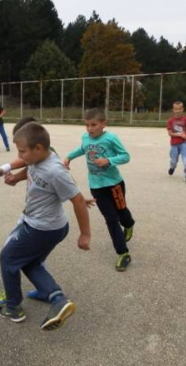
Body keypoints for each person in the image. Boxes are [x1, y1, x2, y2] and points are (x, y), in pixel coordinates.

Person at [0, 122, 91, 330]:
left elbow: (78, 200)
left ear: (38, 148)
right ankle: (54, 296)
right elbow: (29, 168)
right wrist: (12, 175)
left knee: (8, 258)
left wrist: (85, 235)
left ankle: (13, 307)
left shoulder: (55, 171)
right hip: (49, 226)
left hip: (41, 228)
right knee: (30, 262)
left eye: (22, 151)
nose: (20, 156)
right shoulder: (40, 157)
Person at [65, 108, 135, 272]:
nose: (90, 129)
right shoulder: (85, 138)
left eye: (94, 125)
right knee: (110, 218)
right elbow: (83, 148)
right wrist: (69, 157)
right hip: (96, 186)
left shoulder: (111, 138)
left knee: (122, 211)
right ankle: (123, 253)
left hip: (114, 184)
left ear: (104, 124)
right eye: (87, 125)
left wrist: (108, 160)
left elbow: (125, 156)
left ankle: (129, 224)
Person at [167, 101, 186, 183]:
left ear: (182, 109)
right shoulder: (170, 121)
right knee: (173, 160)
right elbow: (170, 133)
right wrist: (180, 135)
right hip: (174, 144)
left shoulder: (185, 120)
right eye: (175, 109)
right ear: (173, 110)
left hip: (183, 143)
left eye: (179, 109)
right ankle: (172, 167)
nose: (177, 111)